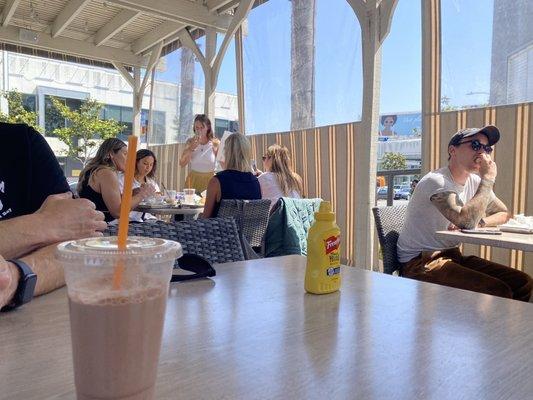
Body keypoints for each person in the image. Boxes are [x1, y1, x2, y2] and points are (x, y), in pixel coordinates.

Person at [397, 126, 532, 301]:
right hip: (420, 261)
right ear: (452, 150)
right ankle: (493, 327)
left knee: (522, 282)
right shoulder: (437, 181)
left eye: (487, 148)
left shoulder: (474, 182)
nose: (482, 153)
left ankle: (510, 328)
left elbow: (504, 213)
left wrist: (481, 222)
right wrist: (488, 179)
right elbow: (466, 222)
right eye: (475, 145)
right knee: (497, 291)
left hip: (452, 255)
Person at [0, 123, 106, 310]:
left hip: (32, 323)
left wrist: (14, 277)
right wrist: (46, 224)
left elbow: (79, 243)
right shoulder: (106, 174)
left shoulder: (21, 141)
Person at [78, 138, 154, 223]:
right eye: (125, 154)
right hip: (105, 228)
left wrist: (132, 193)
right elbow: (118, 212)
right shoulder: (107, 173)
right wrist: (143, 194)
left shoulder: (94, 170)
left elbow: (102, 200)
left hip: (90, 223)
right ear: (111, 154)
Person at [202, 133, 261, 218]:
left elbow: (205, 219)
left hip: (221, 231)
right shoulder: (255, 182)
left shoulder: (216, 181)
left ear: (226, 152)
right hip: (248, 231)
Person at [179, 114, 220, 193]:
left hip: (210, 180)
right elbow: (182, 163)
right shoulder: (190, 142)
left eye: (202, 127)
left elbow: (223, 164)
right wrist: (191, 148)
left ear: (208, 128)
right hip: (193, 179)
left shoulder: (215, 143)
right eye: (197, 128)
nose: (199, 130)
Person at [118, 149, 160, 222]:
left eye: (151, 165)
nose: (148, 167)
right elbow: (119, 200)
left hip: (147, 219)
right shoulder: (123, 179)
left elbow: (159, 198)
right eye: (145, 163)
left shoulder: (151, 182)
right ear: (136, 162)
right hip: (128, 220)